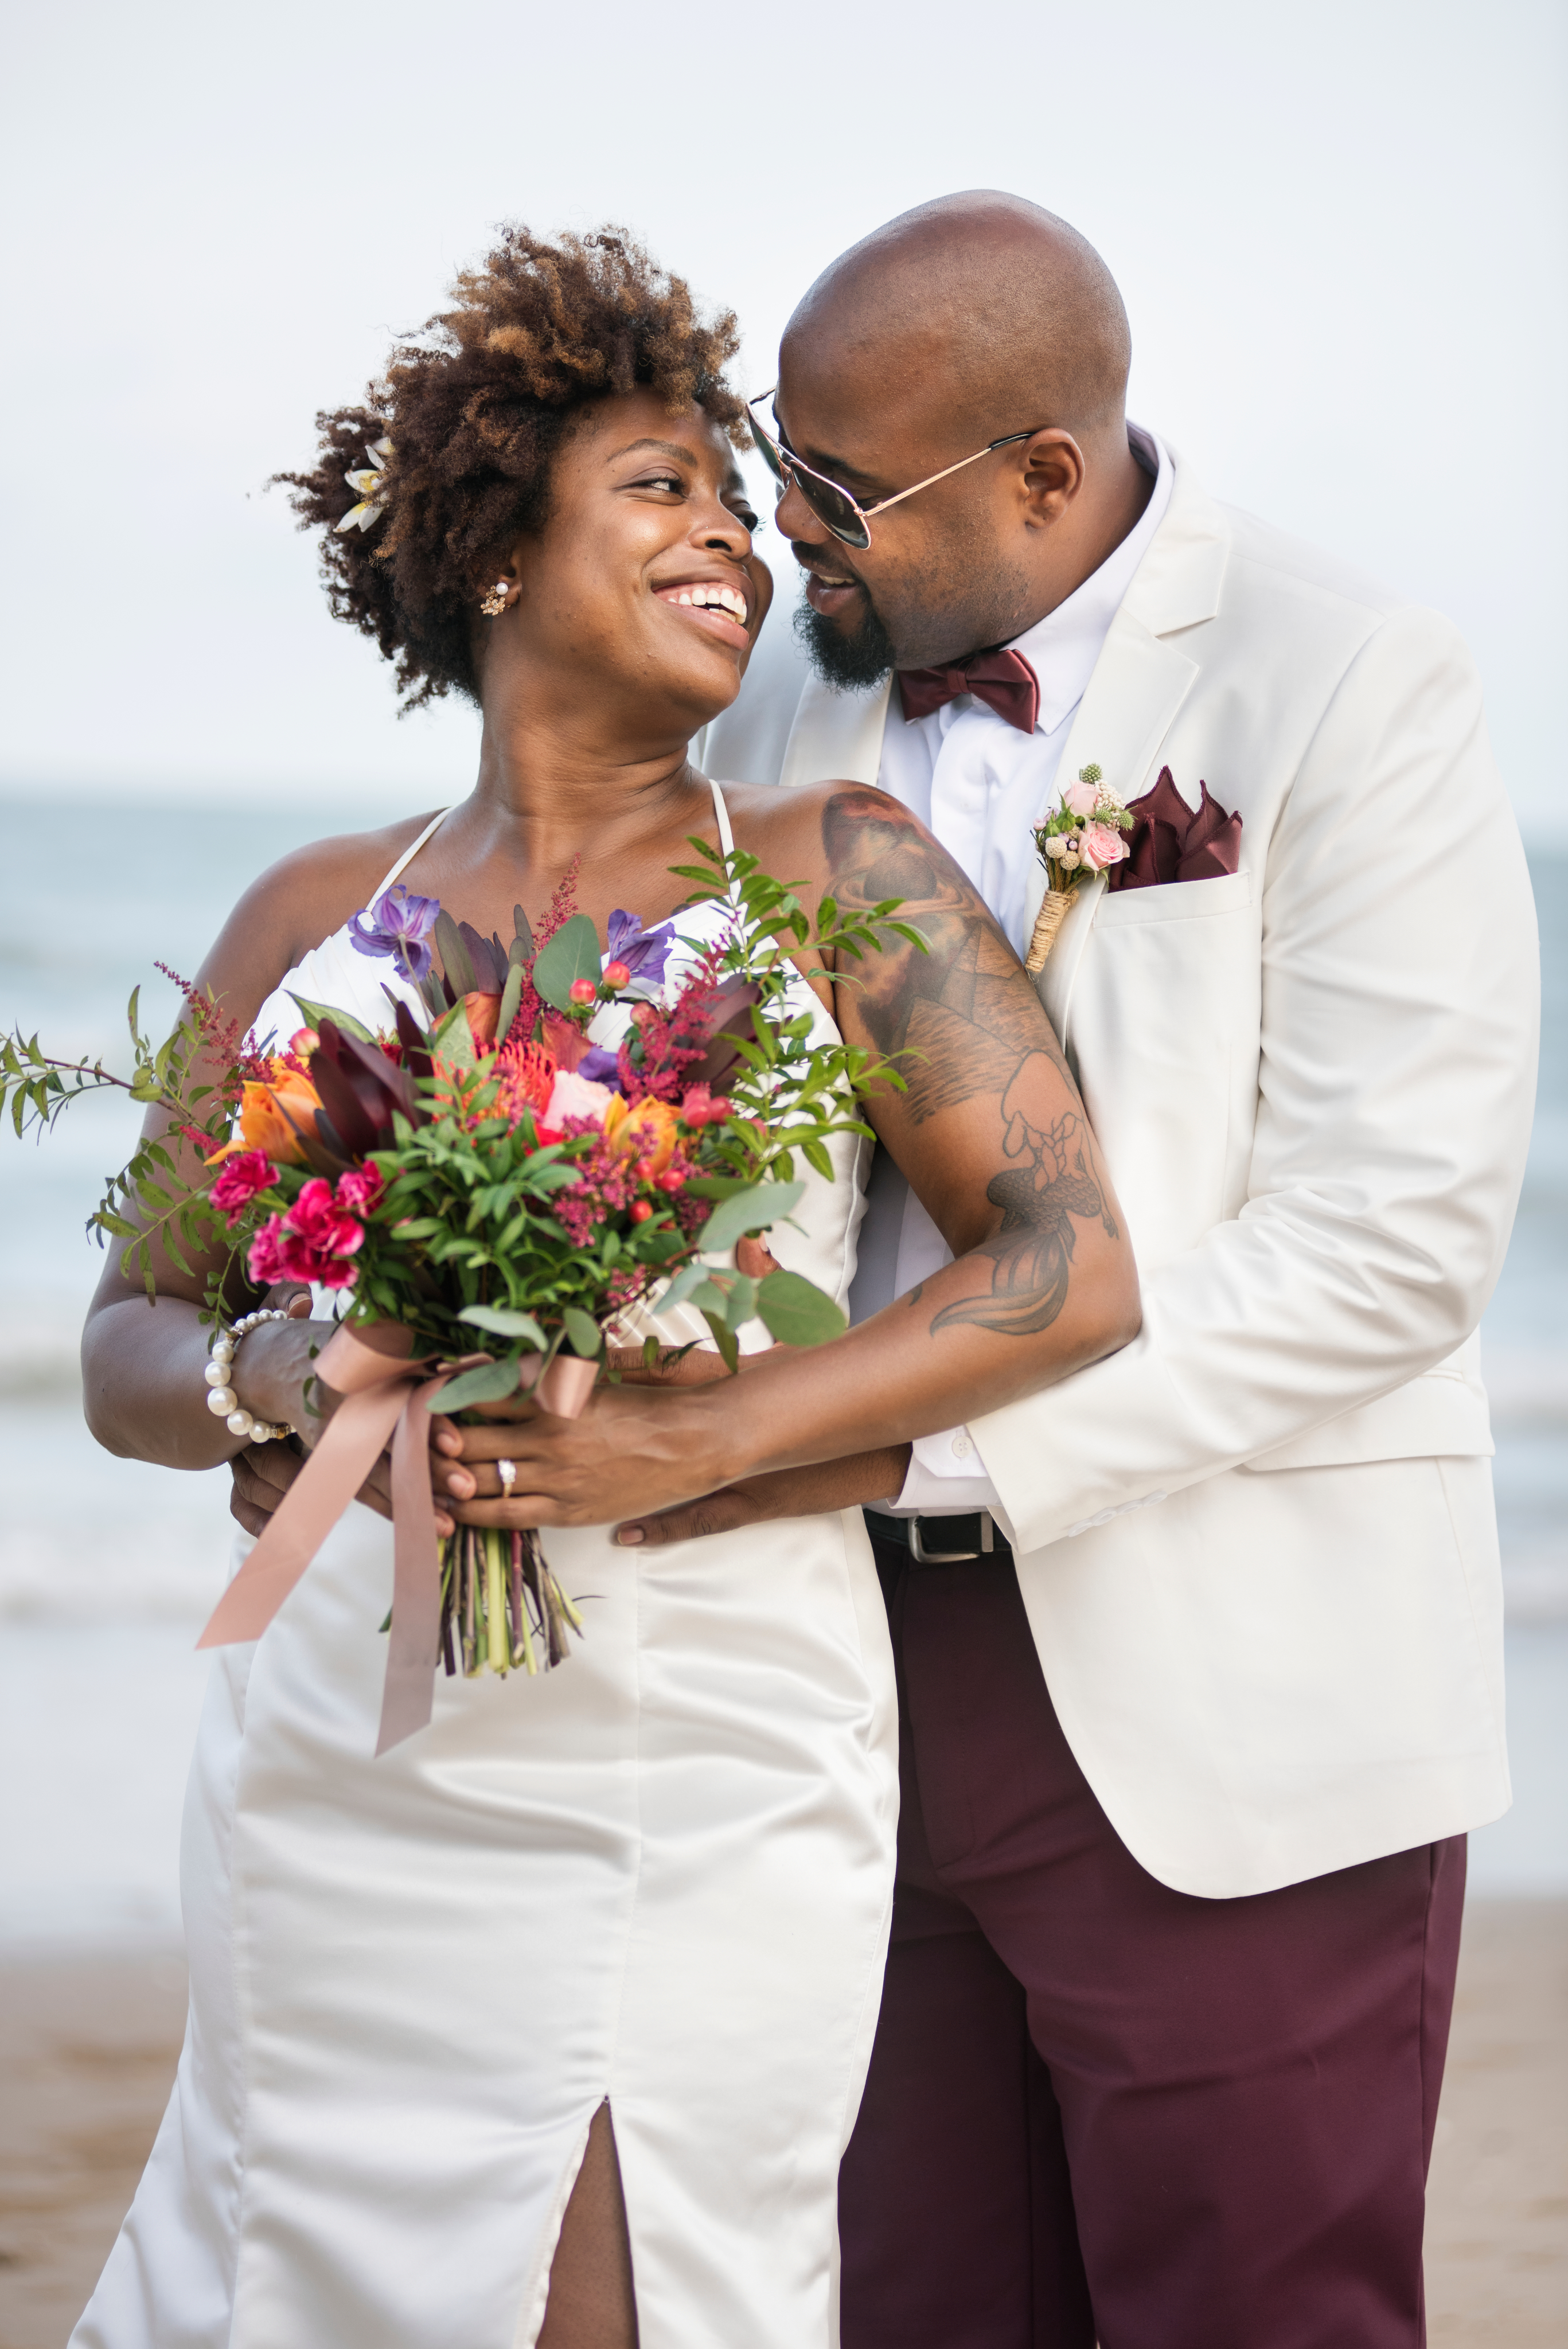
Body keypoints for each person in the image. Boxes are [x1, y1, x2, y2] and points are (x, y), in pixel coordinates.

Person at [435, 194, 1538, 2346]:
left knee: (1256, 2308)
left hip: (1238, 1688)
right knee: (909, 2301)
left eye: (844, 494)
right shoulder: (768, 729)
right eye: (778, 465)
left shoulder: (1351, 670)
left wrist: (887, 1458)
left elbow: (1390, 1242)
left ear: (1045, 474)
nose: (787, 539)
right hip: (825, 1698)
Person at [71, 225, 1138, 2349]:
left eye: (742, 501)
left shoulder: (840, 877)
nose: (735, 535)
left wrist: (698, 1434)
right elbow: (128, 1342)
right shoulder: (315, 907)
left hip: (709, 1737)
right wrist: (297, 1372)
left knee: (634, 2282)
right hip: (343, 1753)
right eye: (665, 486)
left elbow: (1073, 1270)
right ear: (489, 556)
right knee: (293, 2259)